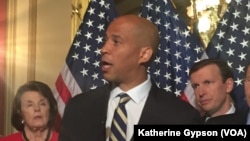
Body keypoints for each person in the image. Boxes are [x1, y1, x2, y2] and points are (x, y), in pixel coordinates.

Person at [58, 14, 202, 141]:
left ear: (144, 55)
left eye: (116, 42)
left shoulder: (181, 117)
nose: (103, 49)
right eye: (106, 40)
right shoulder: (78, 108)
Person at [189, 58, 247, 124]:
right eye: (196, 86)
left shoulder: (246, 121)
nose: (201, 93)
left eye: (208, 83)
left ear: (228, 85)